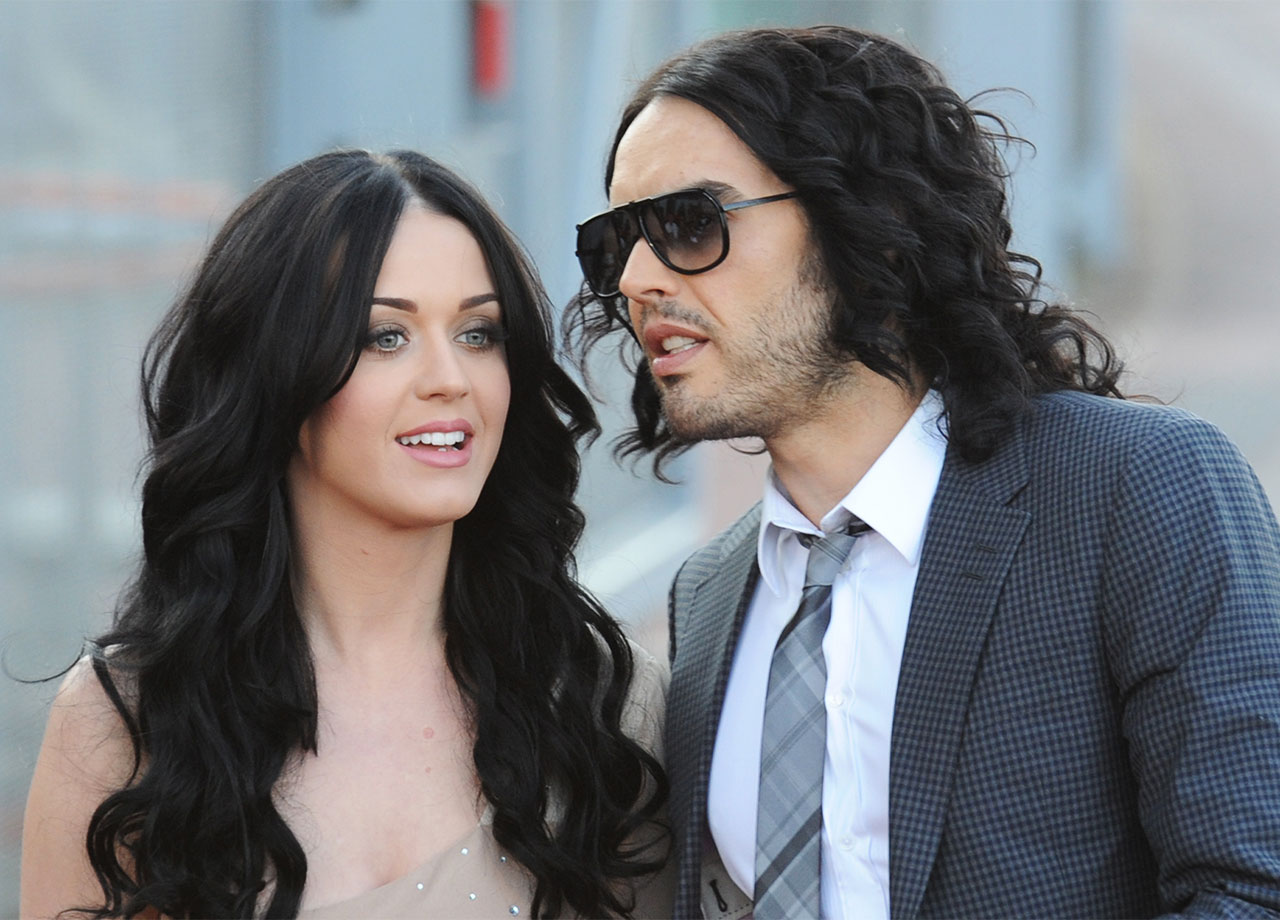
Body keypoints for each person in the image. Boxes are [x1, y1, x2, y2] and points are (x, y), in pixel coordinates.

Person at [564, 25, 1280, 920]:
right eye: (616, 242)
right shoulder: (709, 595)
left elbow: (1252, 888)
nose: (636, 279)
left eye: (688, 224)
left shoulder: (1136, 490)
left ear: (874, 227)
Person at [21, 149, 670, 919]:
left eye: (478, 333)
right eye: (385, 337)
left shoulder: (603, 707)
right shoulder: (126, 720)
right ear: (276, 374)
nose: (450, 379)